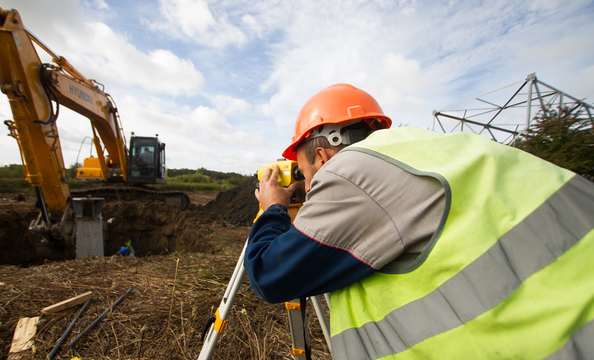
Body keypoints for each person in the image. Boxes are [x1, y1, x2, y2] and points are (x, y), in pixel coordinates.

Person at [244, 83, 594, 360]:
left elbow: (269, 274)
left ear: (323, 154)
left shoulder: (351, 172)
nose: (306, 187)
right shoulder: (436, 147)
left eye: (305, 174)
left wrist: (274, 208)